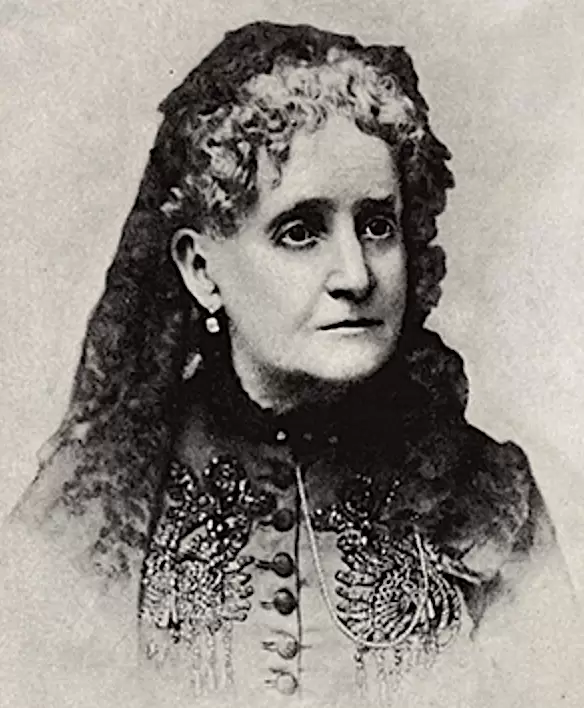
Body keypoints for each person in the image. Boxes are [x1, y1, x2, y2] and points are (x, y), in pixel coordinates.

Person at [3, 20, 581, 708]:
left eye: (377, 225)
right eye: (300, 231)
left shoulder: (491, 499)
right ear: (201, 269)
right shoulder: (91, 511)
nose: (355, 275)